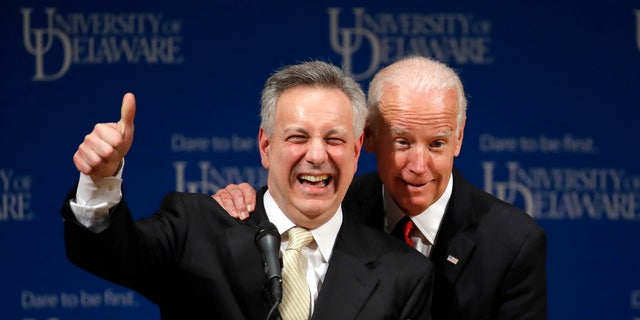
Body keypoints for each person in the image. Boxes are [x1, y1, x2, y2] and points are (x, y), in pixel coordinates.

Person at [61, 60, 435, 320]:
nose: (317, 155)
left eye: (334, 139)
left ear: (356, 151)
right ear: (265, 147)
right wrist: (100, 180)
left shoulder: (403, 274)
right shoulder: (197, 228)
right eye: (298, 137)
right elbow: (108, 254)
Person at [213, 56, 548, 320]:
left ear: (458, 139)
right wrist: (243, 203)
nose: (419, 165)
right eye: (402, 142)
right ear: (367, 137)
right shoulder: (336, 203)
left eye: (437, 144)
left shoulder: (512, 241)